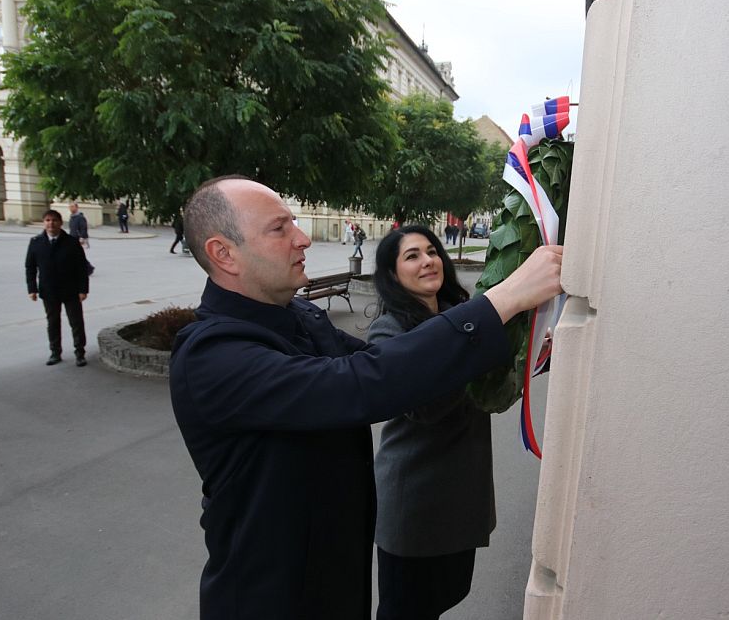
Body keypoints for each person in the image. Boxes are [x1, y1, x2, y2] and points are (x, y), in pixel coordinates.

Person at [169, 175, 563, 619]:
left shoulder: (294, 316)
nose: (303, 239)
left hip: (336, 583)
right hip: (269, 597)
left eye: (294, 224)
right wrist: (502, 299)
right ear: (224, 254)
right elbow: (360, 382)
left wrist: (521, 346)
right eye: (280, 229)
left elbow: (393, 367)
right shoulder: (211, 356)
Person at [369, 224, 502, 620]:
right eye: (412, 255)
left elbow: (489, 386)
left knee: (446, 595)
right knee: (404, 610)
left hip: (461, 500)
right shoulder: (388, 331)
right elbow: (425, 407)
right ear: (393, 275)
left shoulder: (459, 317)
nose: (428, 261)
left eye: (431, 251)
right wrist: (476, 341)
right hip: (415, 507)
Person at [25, 210, 90, 367]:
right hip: (49, 290)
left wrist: (83, 289)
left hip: (70, 289)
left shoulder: (71, 242)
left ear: (61, 222)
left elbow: (82, 267)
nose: (51, 223)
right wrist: (32, 289)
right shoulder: (36, 242)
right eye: (47, 220)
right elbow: (30, 267)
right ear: (44, 222)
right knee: (52, 322)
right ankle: (55, 352)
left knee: (76, 322)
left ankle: (80, 353)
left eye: (54, 220)